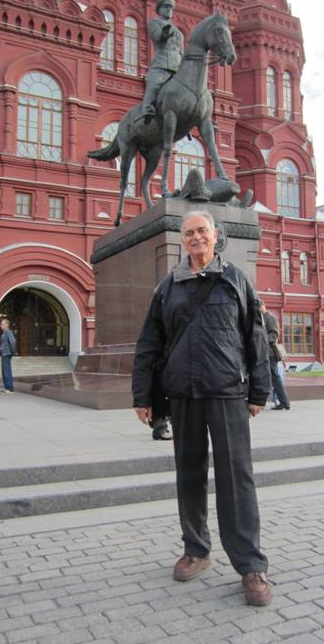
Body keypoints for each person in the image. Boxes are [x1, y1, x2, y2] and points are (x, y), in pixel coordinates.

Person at [132, 210, 273, 606]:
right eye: (189, 232)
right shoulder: (169, 286)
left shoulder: (235, 280)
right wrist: (142, 396)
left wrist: (259, 390)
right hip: (183, 394)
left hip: (228, 391)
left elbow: (255, 338)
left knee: (237, 480)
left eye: (202, 231)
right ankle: (196, 550)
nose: (196, 238)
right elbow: (149, 343)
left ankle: (250, 565)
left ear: (216, 236)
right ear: (183, 240)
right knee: (189, 475)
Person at [141, 0, 185, 120]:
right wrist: (163, 35)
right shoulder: (154, 22)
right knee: (154, 84)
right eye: (166, 7)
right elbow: (157, 36)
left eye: (171, 8)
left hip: (177, 68)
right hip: (162, 64)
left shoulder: (179, 33)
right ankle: (147, 107)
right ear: (159, 9)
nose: (169, 10)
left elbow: (181, 52)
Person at [260, 304, 290, 410]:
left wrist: (260, 339)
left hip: (270, 354)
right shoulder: (260, 318)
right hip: (262, 353)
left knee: (274, 378)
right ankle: (283, 402)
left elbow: (274, 335)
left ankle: (284, 402)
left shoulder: (270, 317)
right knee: (265, 378)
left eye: (259, 307)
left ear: (263, 307)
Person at [0, 319, 17, 394]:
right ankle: (8, 387)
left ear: (7, 325)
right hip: (4, 353)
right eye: (1, 324)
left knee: (6, 371)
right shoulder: (4, 333)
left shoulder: (8, 332)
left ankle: (9, 388)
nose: (1, 325)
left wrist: (13, 352)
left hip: (7, 353)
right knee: (5, 371)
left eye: (2, 324)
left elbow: (13, 341)